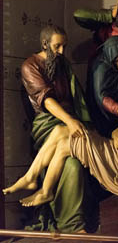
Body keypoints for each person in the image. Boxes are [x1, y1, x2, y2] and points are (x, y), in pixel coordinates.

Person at [3, 80, 118, 212]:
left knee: (66, 141)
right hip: (116, 150)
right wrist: (117, 133)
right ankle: (35, 181)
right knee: (60, 131)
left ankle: (42, 188)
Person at [5, 25, 96, 233]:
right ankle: (70, 224)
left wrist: (76, 120)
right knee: (70, 162)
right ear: (45, 44)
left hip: (67, 123)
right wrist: (70, 122)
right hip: (46, 124)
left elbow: (76, 97)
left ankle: (72, 221)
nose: (62, 52)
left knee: (73, 161)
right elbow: (46, 101)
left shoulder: (63, 65)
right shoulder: (30, 66)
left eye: (64, 46)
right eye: (57, 46)